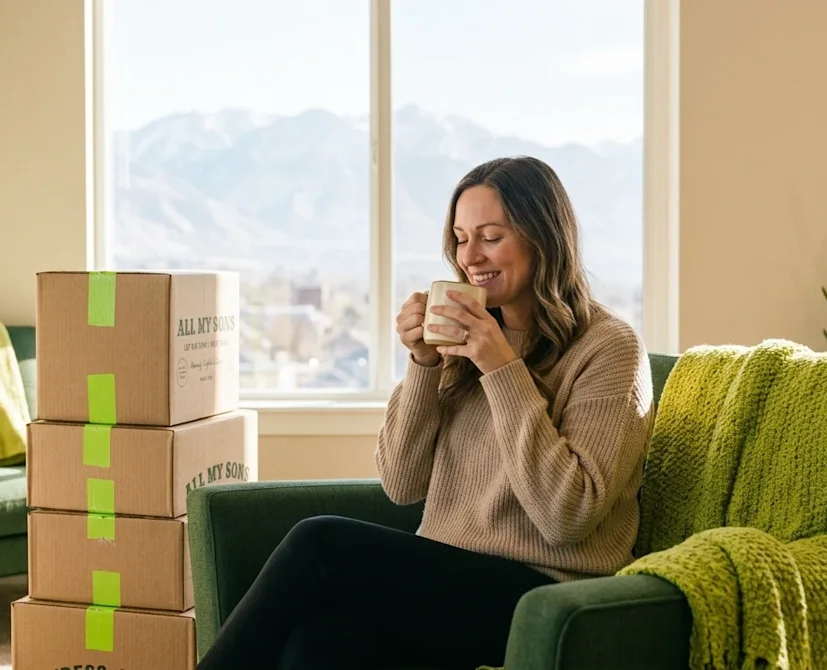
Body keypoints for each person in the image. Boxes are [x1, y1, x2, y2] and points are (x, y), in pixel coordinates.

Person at [195, 156, 655, 670]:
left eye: (490, 236)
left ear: (543, 238)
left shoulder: (609, 347)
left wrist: (501, 368)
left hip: (544, 595)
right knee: (320, 644)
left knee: (318, 542)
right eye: (460, 238)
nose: (470, 256)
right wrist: (423, 364)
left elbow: (565, 516)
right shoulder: (464, 337)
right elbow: (401, 483)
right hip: (447, 581)